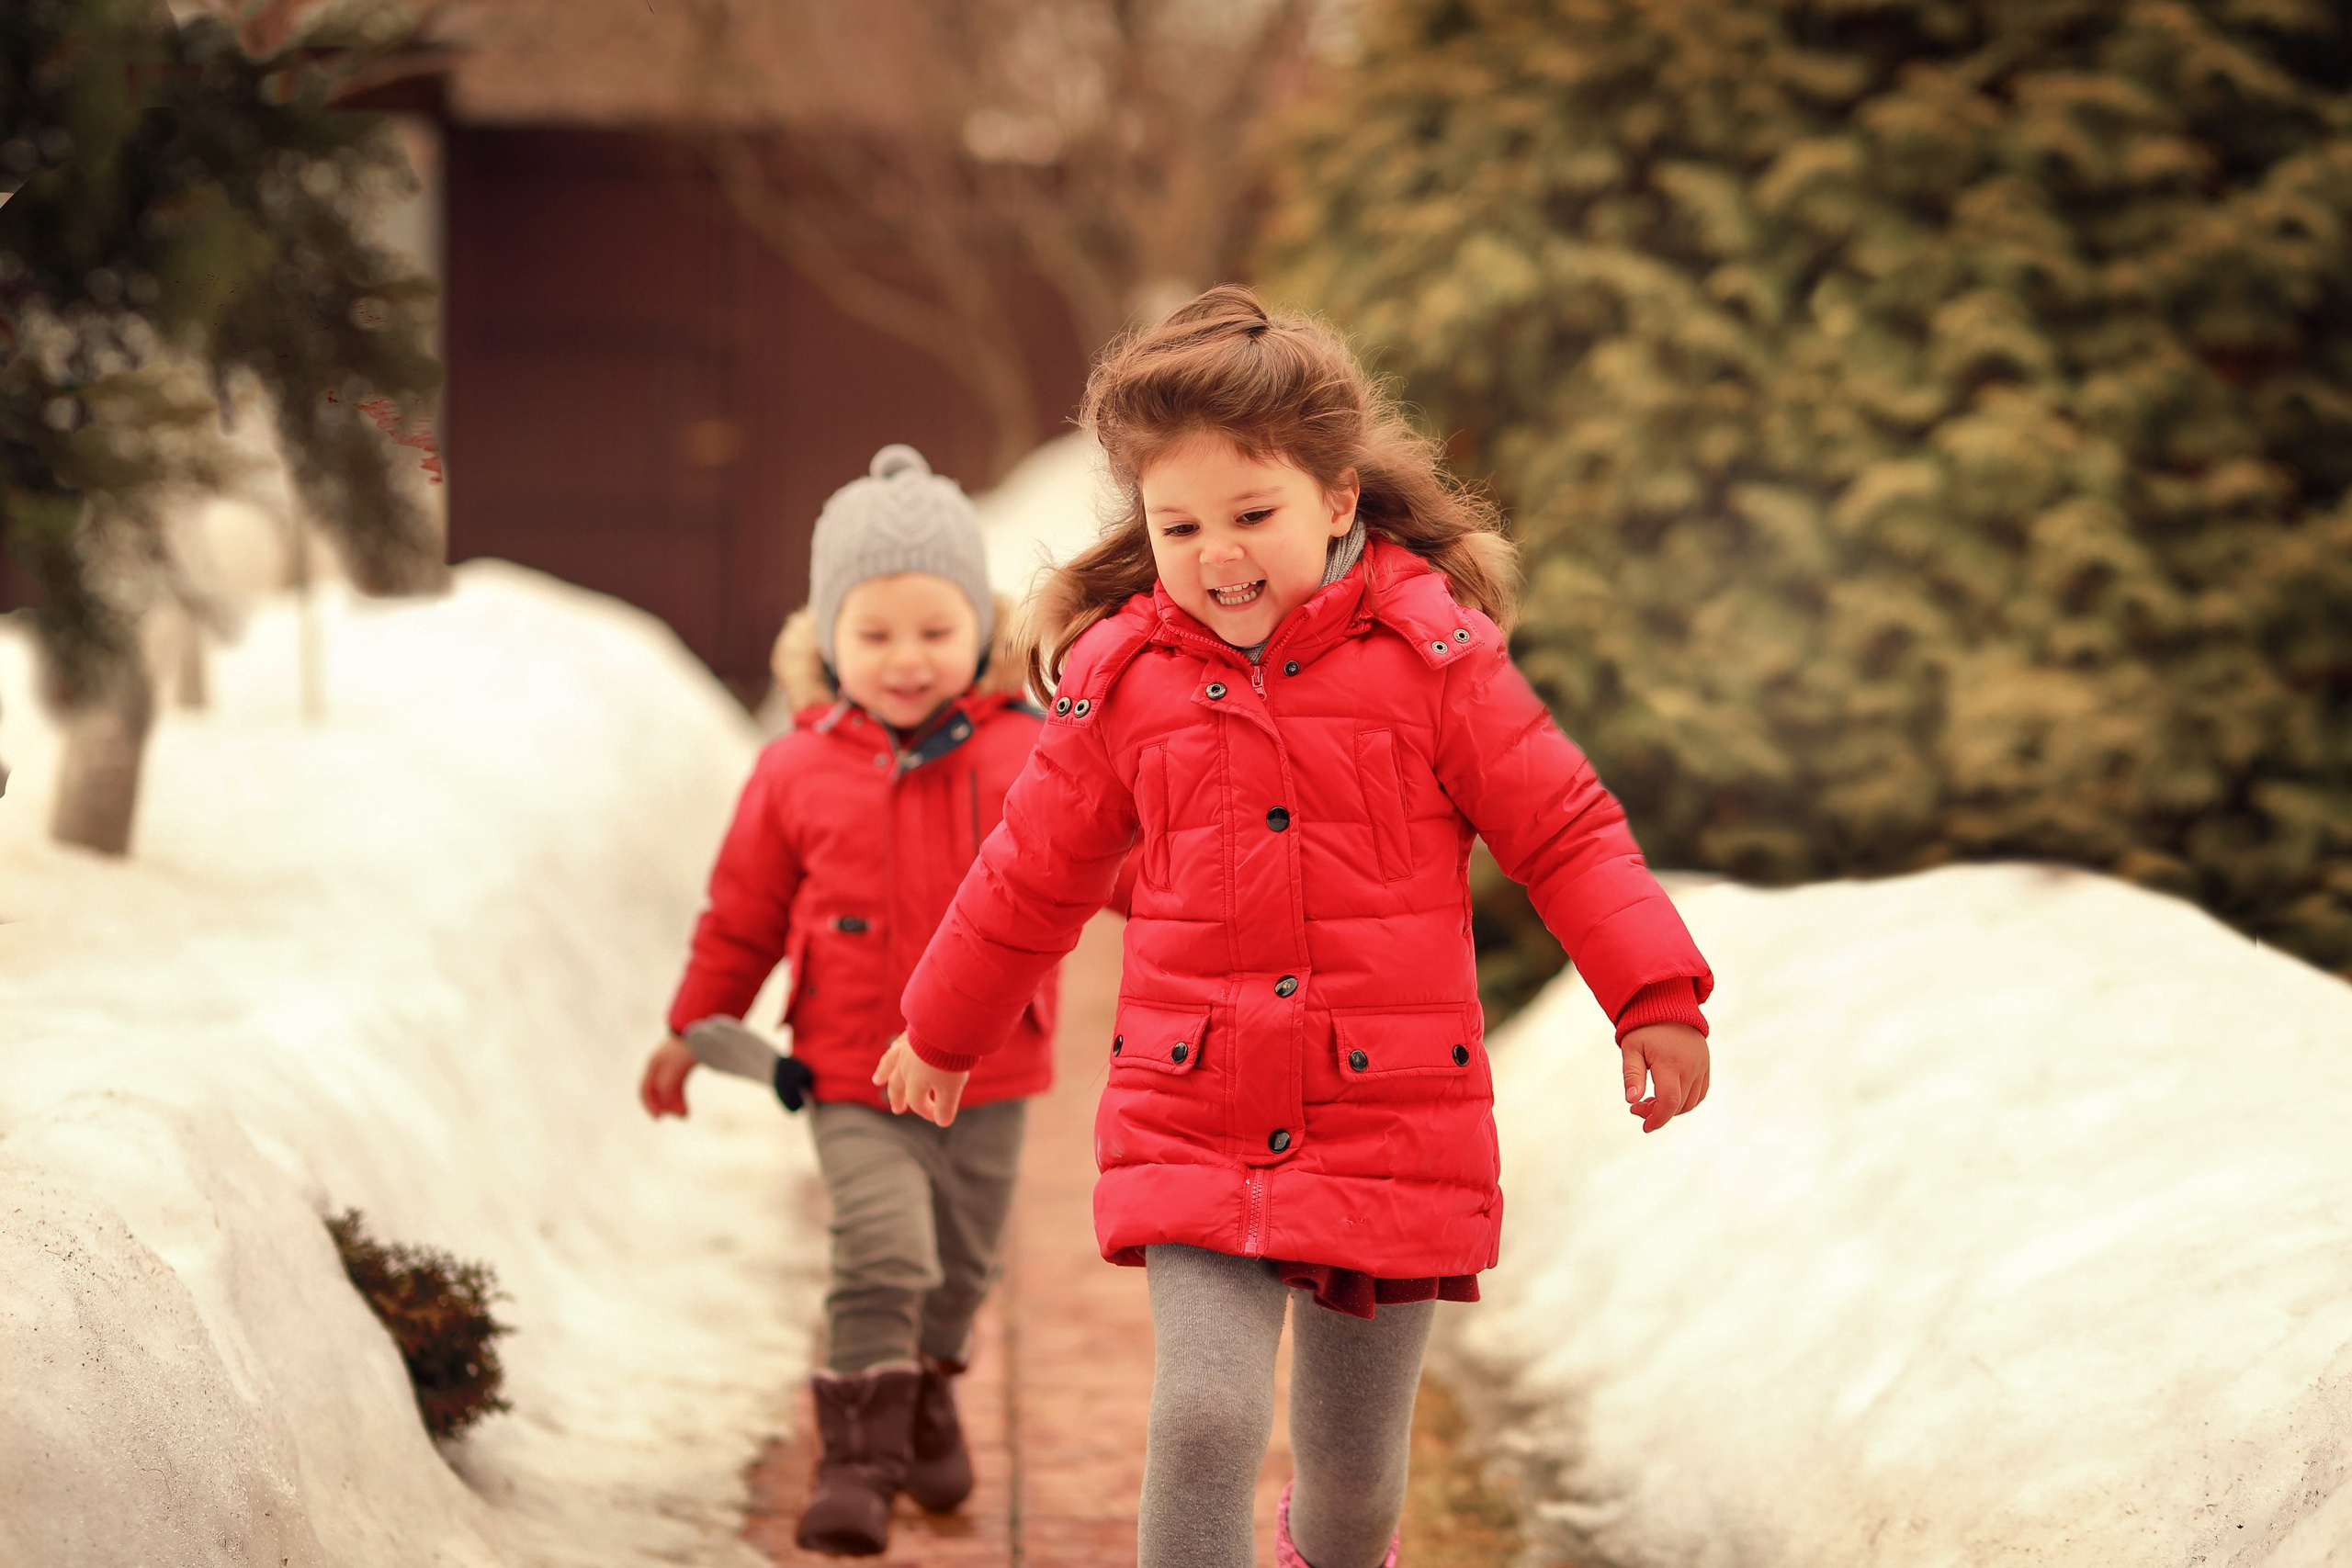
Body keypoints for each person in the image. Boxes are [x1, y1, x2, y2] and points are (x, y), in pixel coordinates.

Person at [873, 287, 1716, 1568]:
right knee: (1206, 1412)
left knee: (1353, 1478)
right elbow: (1028, 872)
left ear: (1336, 497)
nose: (1218, 553)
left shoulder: (1437, 660)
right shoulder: (1126, 685)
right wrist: (940, 1030)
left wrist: (1653, 991)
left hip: (1392, 1124)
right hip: (1195, 1111)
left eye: (1253, 514)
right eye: (1179, 524)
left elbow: (1565, 828)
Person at [640, 445, 1057, 1556]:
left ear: (982, 625)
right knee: (883, 1255)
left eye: (935, 630)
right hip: (849, 1068)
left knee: (961, 1268)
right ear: (828, 638)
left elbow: (1106, 869)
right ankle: (857, 1463)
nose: (907, 659)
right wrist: (695, 1028)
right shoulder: (794, 770)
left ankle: (924, 1394)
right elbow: (741, 916)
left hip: (990, 1068)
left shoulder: (1032, 759)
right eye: (873, 635)